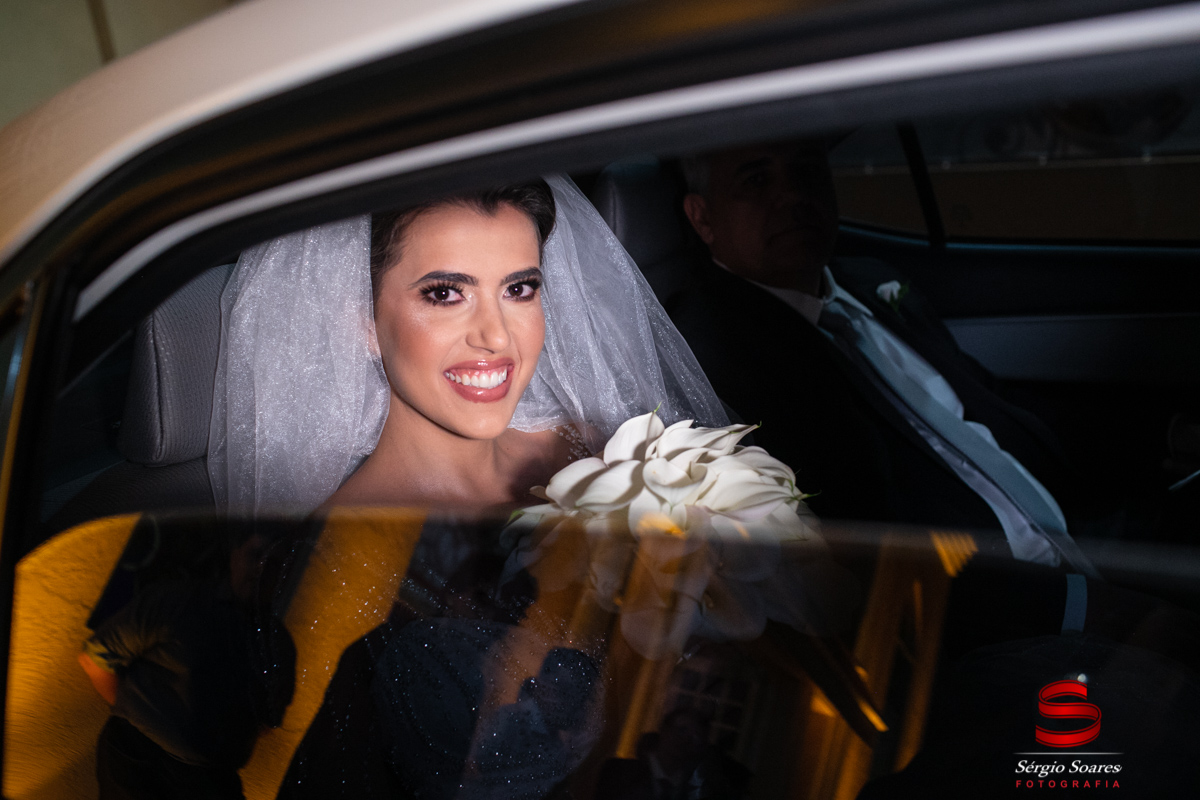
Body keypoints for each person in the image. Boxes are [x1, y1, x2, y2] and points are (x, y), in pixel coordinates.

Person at [673, 138, 1091, 574]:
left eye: (807, 171)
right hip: (996, 585)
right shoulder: (716, 353)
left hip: (1078, 527)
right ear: (702, 218)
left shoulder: (873, 280)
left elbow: (987, 399)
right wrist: (1072, 600)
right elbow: (857, 537)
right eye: (757, 180)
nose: (793, 194)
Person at [207, 175, 728, 516]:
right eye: (445, 294)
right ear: (363, 320)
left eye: (519, 290)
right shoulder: (336, 555)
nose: (496, 336)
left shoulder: (609, 451)